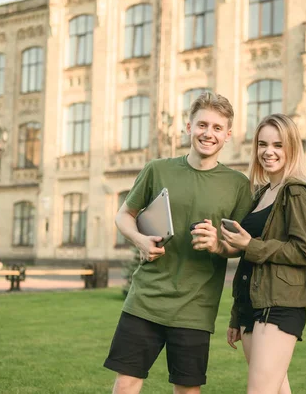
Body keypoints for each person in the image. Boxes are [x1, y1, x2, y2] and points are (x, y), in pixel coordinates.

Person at [104, 92, 253, 394]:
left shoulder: (238, 184)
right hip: (146, 298)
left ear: (228, 135)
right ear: (188, 127)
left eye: (216, 128)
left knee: (187, 390)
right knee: (126, 383)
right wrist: (140, 241)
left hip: (195, 307)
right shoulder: (158, 169)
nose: (207, 133)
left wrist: (218, 246)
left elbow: (242, 245)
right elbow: (124, 216)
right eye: (202, 125)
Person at [220, 114, 306, 394]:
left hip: (279, 306)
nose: (268, 152)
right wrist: (237, 315)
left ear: (292, 148)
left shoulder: (296, 191)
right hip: (253, 305)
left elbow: (303, 250)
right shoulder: (262, 193)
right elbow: (248, 265)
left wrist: (251, 245)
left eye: (277, 145)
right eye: (262, 144)